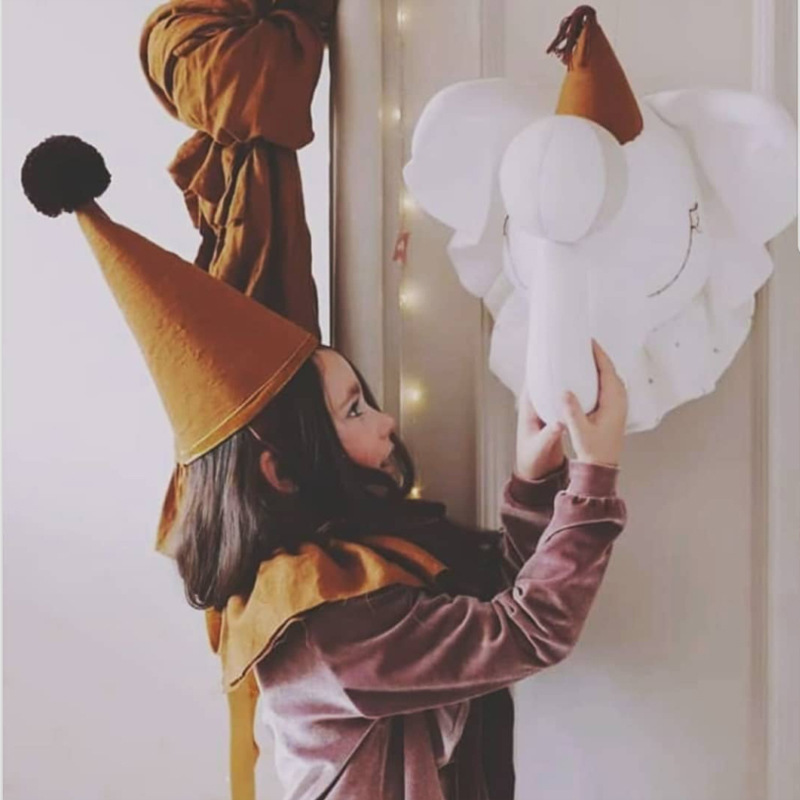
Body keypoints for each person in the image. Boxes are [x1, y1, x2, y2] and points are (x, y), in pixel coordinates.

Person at [22, 136, 628, 800]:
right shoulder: (324, 621)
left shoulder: (353, 564)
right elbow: (526, 631)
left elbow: (497, 599)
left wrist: (535, 483)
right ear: (283, 473)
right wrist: (595, 475)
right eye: (355, 409)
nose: (386, 422)